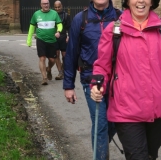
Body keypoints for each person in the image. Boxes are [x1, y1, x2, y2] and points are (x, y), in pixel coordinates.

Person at [90, 0, 161, 160]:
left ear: (152, 2)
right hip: (126, 110)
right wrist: (97, 85)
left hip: (158, 110)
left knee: (150, 156)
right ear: (128, 2)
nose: (141, 1)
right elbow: (102, 66)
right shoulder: (114, 31)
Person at [63, 0, 121, 159]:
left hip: (117, 79)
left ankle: (100, 147)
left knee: (117, 122)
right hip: (91, 78)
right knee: (100, 123)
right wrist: (68, 85)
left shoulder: (120, 17)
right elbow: (72, 52)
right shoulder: (80, 20)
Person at [27, 0, 63, 85]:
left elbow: (59, 24)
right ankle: (44, 78)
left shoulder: (54, 13)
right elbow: (31, 27)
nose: (46, 5)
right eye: (44, 4)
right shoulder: (36, 14)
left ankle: (49, 68)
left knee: (52, 59)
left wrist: (58, 31)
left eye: (47, 3)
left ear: (49, 4)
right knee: (42, 58)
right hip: (41, 39)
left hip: (52, 40)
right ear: (41, 5)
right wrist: (29, 40)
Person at [53, 0, 71, 80]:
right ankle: (60, 72)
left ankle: (63, 70)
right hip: (54, 37)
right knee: (56, 55)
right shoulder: (51, 15)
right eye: (56, 7)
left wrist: (69, 36)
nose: (57, 8)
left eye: (59, 7)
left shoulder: (66, 15)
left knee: (65, 56)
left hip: (63, 36)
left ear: (61, 6)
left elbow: (70, 27)